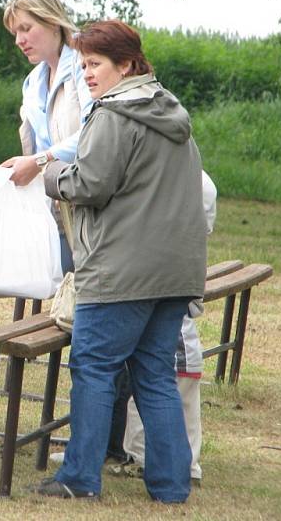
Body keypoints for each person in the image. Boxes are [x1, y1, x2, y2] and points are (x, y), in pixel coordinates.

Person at [36, 19, 207, 502]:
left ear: (127, 66)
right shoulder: (170, 110)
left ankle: (78, 478)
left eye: (95, 64)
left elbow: (91, 184)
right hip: (174, 270)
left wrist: (49, 176)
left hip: (123, 271)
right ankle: (171, 487)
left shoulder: (114, 113)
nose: (86, 74)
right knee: (153, 374)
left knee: (92, 367)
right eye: (84, 64)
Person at [0, 0, 92, 275]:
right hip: (56, 211)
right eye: (15, 33)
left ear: (52, 21)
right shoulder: (32, 83)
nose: (19, 40)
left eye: (26, 28)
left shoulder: (86, 68)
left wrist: (38, 160)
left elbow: (95, 135)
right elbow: (35, 163)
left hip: (95, 211)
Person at [111, 171, 218, 485]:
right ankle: (145, 459)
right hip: (160, 295)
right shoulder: (190, 180)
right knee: (150, 386)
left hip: (171, 313)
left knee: (170, 388)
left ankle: (181, 467)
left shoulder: (188, 183)